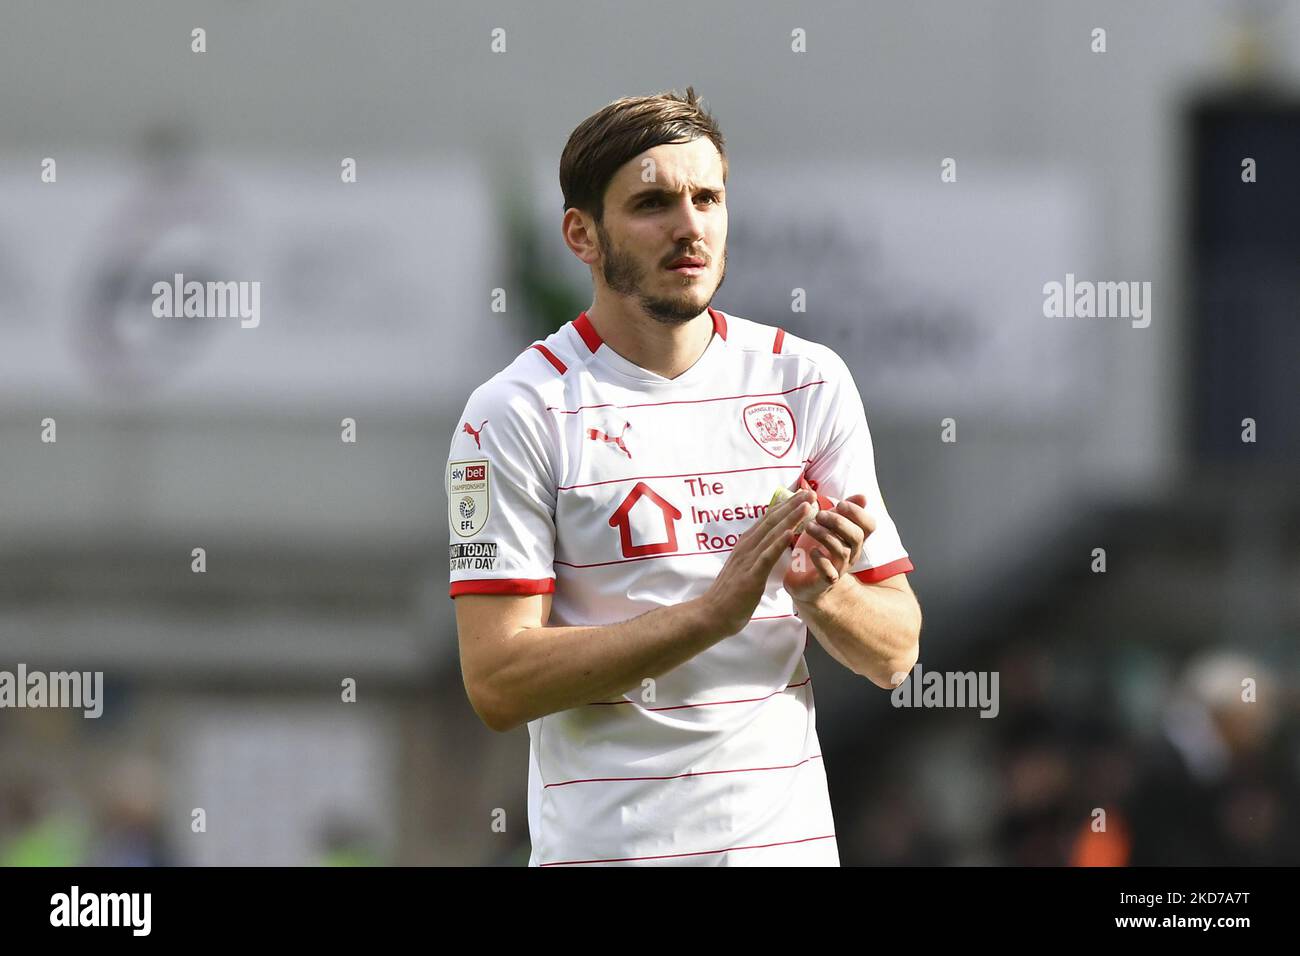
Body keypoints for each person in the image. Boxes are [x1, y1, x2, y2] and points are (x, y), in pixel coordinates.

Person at [446, 87, 921, 866]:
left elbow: (897, 651)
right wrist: (709, 614)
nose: (690, 225)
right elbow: (498, 681)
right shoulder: (516, 411)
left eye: (708, 197)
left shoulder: (805, 382)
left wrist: (823, 595)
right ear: (582, 235)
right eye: (653, 203)